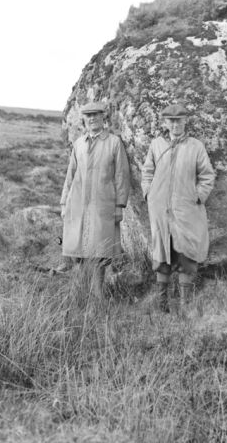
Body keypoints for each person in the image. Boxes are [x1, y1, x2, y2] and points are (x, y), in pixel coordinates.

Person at [141, 103, 215, 313]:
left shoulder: (195, 146)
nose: (175, 125)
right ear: (166, 123)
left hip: (186, 210)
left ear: (185, 121)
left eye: (179, 120)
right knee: (162, 254)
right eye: (171, 121)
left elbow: (207, 175)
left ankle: (185, 306)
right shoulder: (156, 145)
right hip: (160, 211)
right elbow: (147, 171)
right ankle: (161, 303)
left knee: (186, 255)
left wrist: (198, 196)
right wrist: (149, 193)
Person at [58, 101, 130, 299]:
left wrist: (119, 205)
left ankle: (98, 297)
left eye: (96, 115)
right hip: (77, 204)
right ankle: (80, 294)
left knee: (99, 252)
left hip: (102, 204)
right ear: (84, 119)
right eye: (88, 116)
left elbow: (122, 176)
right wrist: (64, 202)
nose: (92, 119)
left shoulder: (114, 143)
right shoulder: (79, 144)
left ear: (103, 118)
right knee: (78, 251)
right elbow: (70, 175)